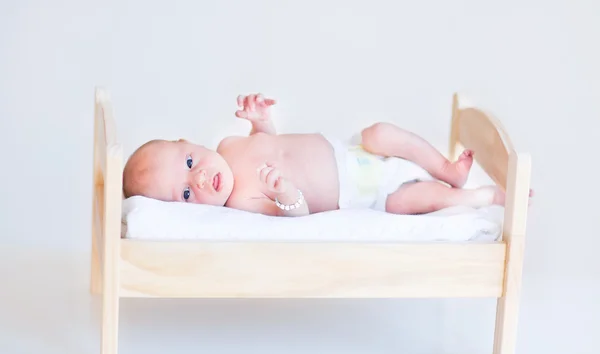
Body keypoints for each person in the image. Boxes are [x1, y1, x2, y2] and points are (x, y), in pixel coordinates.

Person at [122, 93, 532, 217]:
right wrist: (284, 192)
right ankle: (482, 196)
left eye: (190, 164)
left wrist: (261, 121)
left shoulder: (229, 146)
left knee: (380, 132)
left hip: (352, 153)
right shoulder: (239, 201)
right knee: (412, 200)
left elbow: (270, 140)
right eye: (187, 195)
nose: (197, 180)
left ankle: (447, 169)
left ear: (188, 143)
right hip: (361, 195)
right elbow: (295, 214)